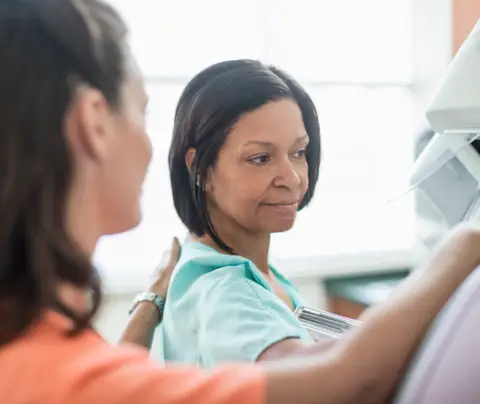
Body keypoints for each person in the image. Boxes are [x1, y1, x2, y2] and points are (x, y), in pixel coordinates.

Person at [0, 0, 479, 403]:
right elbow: (346, 379)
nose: (290, 176)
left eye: (299, 152)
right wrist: (467, 239)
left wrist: (152, 298)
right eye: (142, 111)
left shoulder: (41, 345)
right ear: (95, 122)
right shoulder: (220, 288)